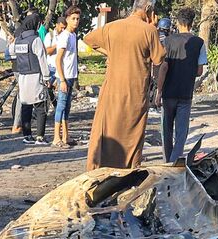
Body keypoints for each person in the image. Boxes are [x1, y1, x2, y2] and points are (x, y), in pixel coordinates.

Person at [81, 0, 161, 170]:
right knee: (132, 133)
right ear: (148, 10)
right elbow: (159, 58)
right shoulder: (149, 30)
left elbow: (88, 39)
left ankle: (100, 168)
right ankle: (128, 170)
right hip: (135, 92)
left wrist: (109, 51)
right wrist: (154, 26)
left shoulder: (113, 26)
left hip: (111, 90)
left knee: (107, 128)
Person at [156, 9, 200, 162]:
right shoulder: (199, 42)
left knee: (166, 130)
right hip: (186, 94)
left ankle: (167, 161)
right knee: (181, 132)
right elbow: (200, 71)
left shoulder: (168, 41)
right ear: (192, 23)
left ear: (178, 23)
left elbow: (164, 67)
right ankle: (175, 161)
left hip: (168, 93)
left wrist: (159, 91)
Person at [8, 12, 47, 146]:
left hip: (23, 76)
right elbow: (42, 60)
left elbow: (11, 52)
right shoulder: (35, 40)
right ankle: (40, 137)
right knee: (41, 107)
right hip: (36, 76)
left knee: (26, 105)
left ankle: (27, 136)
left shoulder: (18, 39)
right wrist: (47, 77)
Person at [47, 7, 81, 148]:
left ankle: (66, 136)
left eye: (78, 19)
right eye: (73, 18)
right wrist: (61, 80)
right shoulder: (64, 37)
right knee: (60, 106)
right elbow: (58, 59)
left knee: (67, 106)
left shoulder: (73, 36)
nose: (76, 21)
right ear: (67, 19)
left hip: (71, 75)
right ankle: (56, 137)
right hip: (64, 76)